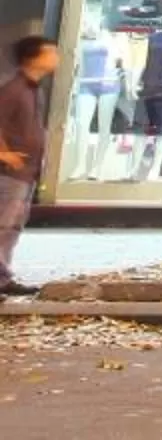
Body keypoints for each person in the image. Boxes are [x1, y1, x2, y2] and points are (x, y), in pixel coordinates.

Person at [0, 35, 58, 300]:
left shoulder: (35, 90)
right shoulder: (13, 89)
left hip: (26, 172)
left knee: (12, 228)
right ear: (33, 57)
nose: (55, 58)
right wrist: (5, 154)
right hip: (10, 173)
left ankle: (3, 277)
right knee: (3, 225)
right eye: (50, 53)